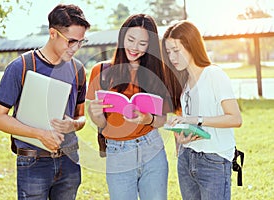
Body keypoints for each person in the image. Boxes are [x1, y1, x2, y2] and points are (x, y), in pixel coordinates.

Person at [0, 4, 90, 200]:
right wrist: (39, 134)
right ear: (53, 33)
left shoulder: (78, 70)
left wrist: (74, 124)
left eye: (81, 42)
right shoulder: (21, 67)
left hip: (69, 161)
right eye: (71, 41)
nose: (76, 48)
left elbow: (81, 116)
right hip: (33, 163)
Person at [86, 14, 170, 200]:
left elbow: (163, 119)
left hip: (152, 148)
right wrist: (95, 113)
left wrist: (148, 119)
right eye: (130, 39)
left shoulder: (157, 74)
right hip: (118, 151)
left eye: (142, 43)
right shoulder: (101, 72)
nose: (134, 47)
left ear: (150, 45)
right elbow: (101, 123)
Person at [161, 20, 242, 200]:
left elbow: (235, 118)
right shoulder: (185, 82)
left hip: (214, 161)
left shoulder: (214, 74)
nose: (172, 57)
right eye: (168, 52)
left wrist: (196, 119)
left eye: (176, 51)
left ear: (192, 45)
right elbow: (187, 121)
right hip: (187, 158)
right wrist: (180, 138)